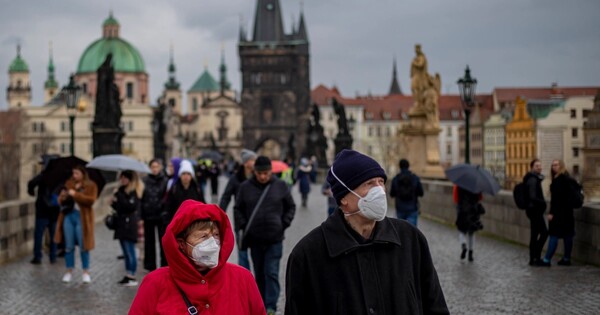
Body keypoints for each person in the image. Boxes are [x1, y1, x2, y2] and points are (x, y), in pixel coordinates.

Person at [285, 149, 448, 314]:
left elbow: (435, 306)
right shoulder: (308, 254)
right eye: (369, 184)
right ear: (343, 197)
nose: (380, 191)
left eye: (381, 182)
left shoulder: (410, 239)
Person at [129, 200, 265, 314]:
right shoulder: (155, 283)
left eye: (216, 235)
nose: (212, 243)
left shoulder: (243, 279)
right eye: (203, 236)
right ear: (182, 244)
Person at [234, 156, 296, 314]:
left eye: (266, 173)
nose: (263, 176)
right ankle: (260, 304)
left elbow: (291, 207)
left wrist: (283, 224)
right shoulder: (245, 187)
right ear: (254, 172)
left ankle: (271, 307)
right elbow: (237, 209)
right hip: (255, 239)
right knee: (260, 274)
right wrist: (243, 225)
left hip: (274, 238)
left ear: (271, 171)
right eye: (260, 173)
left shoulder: (280, 185)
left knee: (272, 272)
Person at [54, 165, 98, 283]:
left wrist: (76, 194)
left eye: (77, 173)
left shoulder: (91, 185)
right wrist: (64, 195)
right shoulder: (68, 184)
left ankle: (85, 271)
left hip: (82, 218)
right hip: (68, 216)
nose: (74, 176)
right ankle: (69, 270)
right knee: (69, 246)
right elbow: (60, 201)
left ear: (83, 174)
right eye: (73, 173)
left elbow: (91, 200)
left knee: (84, 245)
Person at [218, 149, 257, 270]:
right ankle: (245, 279)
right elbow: (226, 197)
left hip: (257, 219)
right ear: (245, 163)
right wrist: (219, 214)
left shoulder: (258, 176)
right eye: (252, 160)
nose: (255, 162)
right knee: (242, 252)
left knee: (257, 254)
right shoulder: (235, 178)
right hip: (240, 220)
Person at [540, 160, 576, 266]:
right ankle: (566, 259)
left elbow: (556, 200)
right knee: (568, 235)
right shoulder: (568, 178)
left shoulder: (558, 180)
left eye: (556, 165)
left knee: (554, 235)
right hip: (568, 213)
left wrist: (552, 213)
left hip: (559, 214)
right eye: (552, 165)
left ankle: (547, 259)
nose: (553, 167)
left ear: (561, 166)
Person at [112, 170, 144, 286]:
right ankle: (128, 274)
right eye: (121, 178)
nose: (123, 180)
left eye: (125, 178)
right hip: (121, 223)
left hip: (129, 224)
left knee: (130, 250)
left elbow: (130, 206)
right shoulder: (121, 191)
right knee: (125, 251)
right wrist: (113, 202)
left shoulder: (133, 192)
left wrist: (118, 196)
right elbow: (119, 207)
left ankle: (132, 275)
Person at [27, 154, 60, 265]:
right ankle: (53, 256)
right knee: (53, 235)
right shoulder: (59, 177)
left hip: (43, 210)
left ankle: (38, 256)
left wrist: (31, 193)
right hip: (55, 210)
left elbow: (31, 183)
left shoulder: (44, 175)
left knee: (39, 234)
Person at [141, 158, 169, 271]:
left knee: (163, 241)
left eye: (156, 167)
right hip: (148, 214)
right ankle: (150, 265)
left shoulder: (165, 181)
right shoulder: (144, 180)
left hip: (161, 215)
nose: (155, 169)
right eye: (153, 167)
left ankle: (164, 264)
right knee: (149, 242)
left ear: (160, 168)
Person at [524, 158, 548, 266]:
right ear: (532, 167)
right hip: (535, 211)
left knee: (534, 234)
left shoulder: (533, 178)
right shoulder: (533, 180)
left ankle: (533, 259)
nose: (539, 167)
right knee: (544, 233)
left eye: (540, 165)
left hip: (532, 210)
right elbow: (532, 196)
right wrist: (543, 202)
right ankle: (536, 257)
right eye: (537, 166)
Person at [165, 160, 205, 225]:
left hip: (193, 223)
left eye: (188, 174)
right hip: (177, 222)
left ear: (192, 176)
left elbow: (202, 205)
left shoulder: (197, 189)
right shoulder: (174, 189)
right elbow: (168, 207)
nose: (186, 176)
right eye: (183, 174)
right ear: (180, 175)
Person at [389, 158, 424, 226]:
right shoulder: (415, 178)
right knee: (412, 231)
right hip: (412, 208)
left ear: (400, 166)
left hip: (400, 208)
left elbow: (392, 194)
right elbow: (421, 193)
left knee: (401, 229)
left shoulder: (395, 179)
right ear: (408, 166)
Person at [453, 185, 484, 261]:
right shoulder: (476, 184)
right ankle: (470, 254)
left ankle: (463, 245)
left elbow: (455, 198)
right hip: (473, 211)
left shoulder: (458, 184)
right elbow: (480, 197)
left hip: (462, 211)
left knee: (461, 230)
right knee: (472, 232)